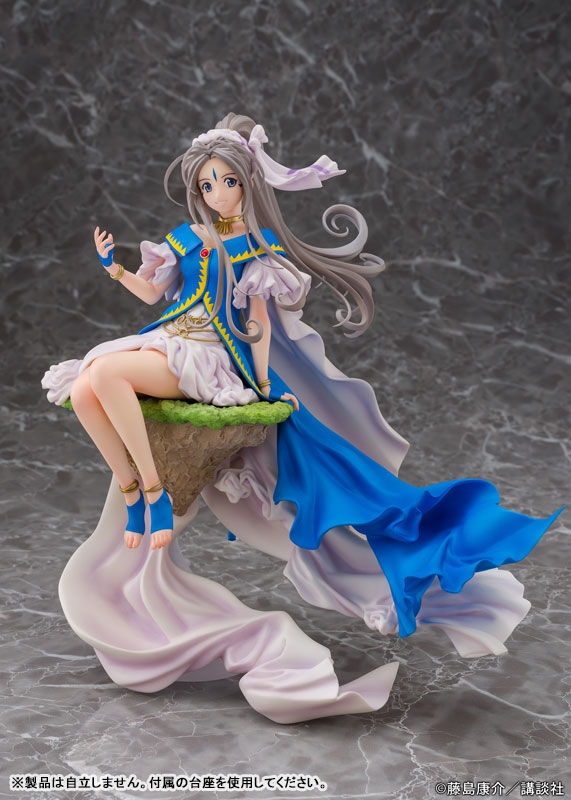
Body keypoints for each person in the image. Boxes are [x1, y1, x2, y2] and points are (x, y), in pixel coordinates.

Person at [41, 113, 565, 723]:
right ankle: (137, 489)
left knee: (105, 377)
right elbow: (152, 295)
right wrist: (115, 269)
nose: (217, 194)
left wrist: (262, 386)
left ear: (247, 184)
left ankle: (151, 492)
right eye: (207, 185)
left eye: (227, 182)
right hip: (166, 338)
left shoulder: (255, 248)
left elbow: (259, 325)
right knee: (87, 386)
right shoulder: (184, 237)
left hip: (208, 356)